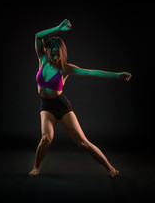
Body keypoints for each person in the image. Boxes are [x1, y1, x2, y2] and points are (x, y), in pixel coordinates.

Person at [29, 19, 132, 178]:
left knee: (83, 142)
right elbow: (37, 36)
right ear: (48, 51)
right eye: (53, 53)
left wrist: (117, 75)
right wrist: (58, 28)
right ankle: (36, 167)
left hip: (61, 105)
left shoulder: (66, 69)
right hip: (46, 105)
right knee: (46, 139)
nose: (56, 57)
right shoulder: (42, 59)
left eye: (58, 54)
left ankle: (110, 168)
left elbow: (91, 72)